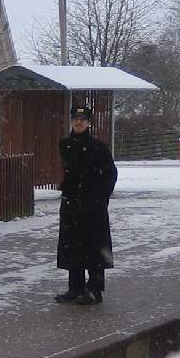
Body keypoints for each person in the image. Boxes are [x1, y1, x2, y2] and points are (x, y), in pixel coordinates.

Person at [55, 104, 118, 305]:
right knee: (72, 245)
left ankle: (94, 289)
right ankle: (75, 287)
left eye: (82, 120)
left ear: (89, 122)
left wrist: (100, 198)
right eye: (75, 119)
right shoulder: (65, 144)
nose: (78, 122)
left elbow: (110, 174)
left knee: (94, 247)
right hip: (72, 204)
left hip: (93, 205)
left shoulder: (99, 147)